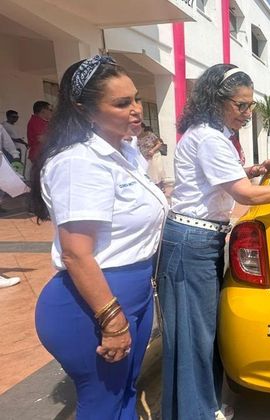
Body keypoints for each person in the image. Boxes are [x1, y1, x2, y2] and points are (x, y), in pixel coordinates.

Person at [158, 63, 270, 420]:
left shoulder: (210, 135)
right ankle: (194, 414)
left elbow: (219, 178)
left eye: (250, 106)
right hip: (192, 240)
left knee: (201, 335)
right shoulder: (210, 138)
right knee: (192, 338)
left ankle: (204, 407)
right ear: (217, 100)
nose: (246, 113)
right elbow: (246, 196)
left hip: (199, 240)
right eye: (240, 105)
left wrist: (256, 169)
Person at [30, 55, 168, 419]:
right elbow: (76, 253)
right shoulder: (80, 162)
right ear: (85, 110)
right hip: (93, 303)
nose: (137, 109)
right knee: (103, 404)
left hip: (131, 292)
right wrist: (112, 320)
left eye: (136, 98)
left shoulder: (124, 154)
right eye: (122, 103)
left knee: (123, 395)